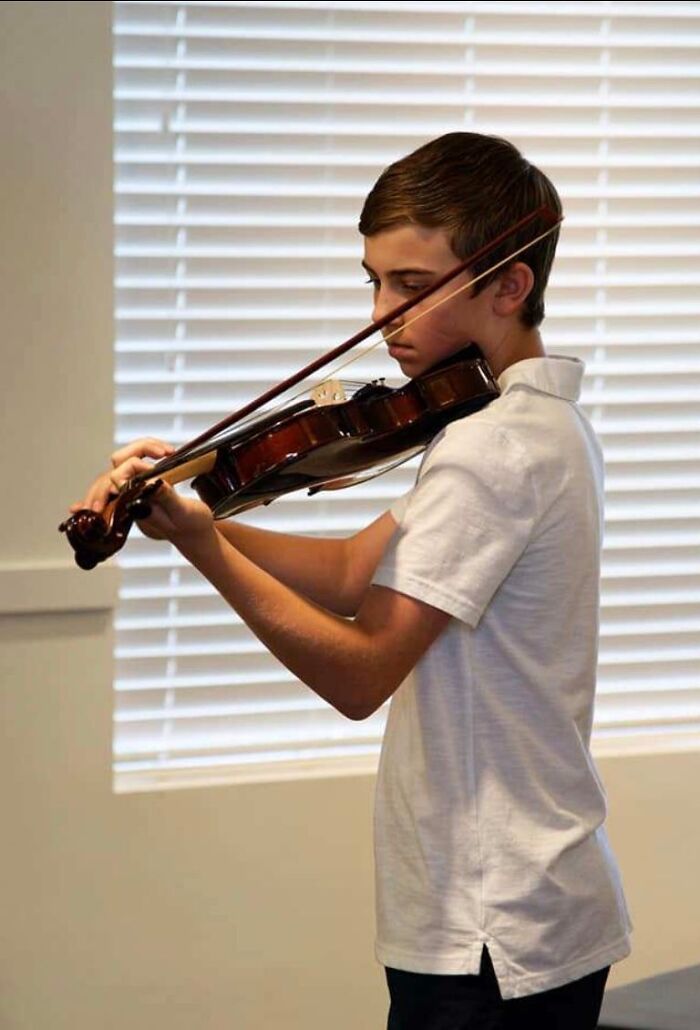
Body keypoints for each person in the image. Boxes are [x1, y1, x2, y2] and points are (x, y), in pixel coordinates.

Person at [70, 132, 632, 1028]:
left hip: (491, 923)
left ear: (510, 284)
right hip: (532, 901)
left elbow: (361, 673)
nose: (384, 315)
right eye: (372, 281)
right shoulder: (542, 428)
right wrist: (195, 517)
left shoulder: (491, 449)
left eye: (412, 285)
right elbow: (344, 573)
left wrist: (211, 551)